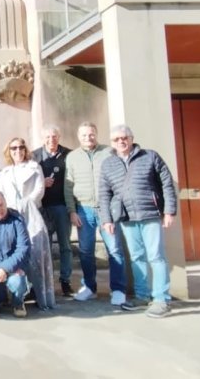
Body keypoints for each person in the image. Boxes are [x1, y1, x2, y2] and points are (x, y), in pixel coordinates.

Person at [98, 124, 177, 318]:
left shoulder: (149, 156)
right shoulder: (108, 164)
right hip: (126, 217)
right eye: (116, 139)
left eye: (124, 137)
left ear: (132, 138)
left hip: (150, 214)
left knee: (156, 257)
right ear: (112, 143)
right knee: (136, 257)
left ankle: (161, 299)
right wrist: (106, 219)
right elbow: (104, 194)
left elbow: (166, 183)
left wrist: (169, 211)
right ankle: (142, 296)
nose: (121, 141)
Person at [65, 121, 129, 306]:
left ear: (96, 134)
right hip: (83, 210)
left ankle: (117, 289)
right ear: (79, 137)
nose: (88, 138)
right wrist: (71, 210)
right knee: (85, 251)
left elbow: (118, 181)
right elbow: (68, 186)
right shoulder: (72, 157)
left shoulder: (109, 152)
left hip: (106, 208)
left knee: (114, 250)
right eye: (84, 135)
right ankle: (89, 287)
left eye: (91, 134)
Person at [0, 138, 56, 310]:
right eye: (13, 148)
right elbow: (0, 192)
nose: (17, 151)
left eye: (21, 147)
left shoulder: (34, 167)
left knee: (35, 253)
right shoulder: (6, 172)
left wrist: (24, 204)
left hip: (31, 215)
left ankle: (38, 292)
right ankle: (19, 291)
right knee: (14, 252)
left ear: (25, 149)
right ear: (9, 151)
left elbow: (39, 190)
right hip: (11, 216)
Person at [32, 125, 73, 297]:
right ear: (43, 139)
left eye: (54, 136)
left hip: (62, 206)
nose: (51, 140)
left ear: (59, 137)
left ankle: (65, 281)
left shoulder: (68, 155)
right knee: (44, 246)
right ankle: (45, 281)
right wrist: (42, 182)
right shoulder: (34, 156)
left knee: (65, 245)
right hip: (42, 207)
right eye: (48, 137)